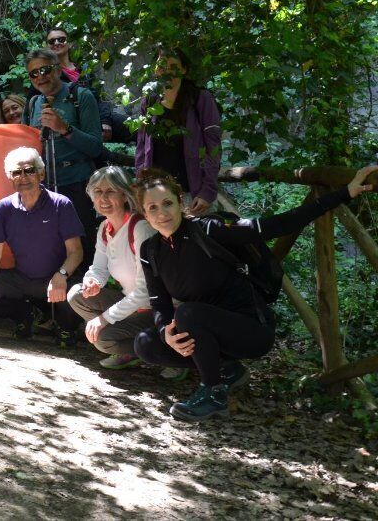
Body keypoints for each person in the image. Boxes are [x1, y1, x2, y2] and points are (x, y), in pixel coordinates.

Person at [132, 166, 376, 421]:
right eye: (152, 208)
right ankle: (227, 370)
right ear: (144, 214)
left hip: (251, 330)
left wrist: (344, 193)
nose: (162, 213)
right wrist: (165, 334)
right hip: (204, 330)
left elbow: (279, 224)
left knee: (189, 314)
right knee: (146, 344)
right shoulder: (151, 250)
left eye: (167, 203)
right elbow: (159, 302)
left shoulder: (208, 229)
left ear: (180, 202)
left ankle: (214, 394)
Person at [0, 147, 84, 343]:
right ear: (10, 177)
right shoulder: (4, 208)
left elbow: (76, 252)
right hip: (22, 279)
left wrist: (62, 275)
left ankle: (65, 327)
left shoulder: (61, 204)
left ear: (41, 173)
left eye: (29, 170)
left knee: (78, 293)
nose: (23, 177)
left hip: (57, 278)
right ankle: (26, 316)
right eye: (17, 172)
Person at [66, 166, 155, 368]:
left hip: (155, 309)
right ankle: (133, 347)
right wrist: (93, 281)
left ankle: (160, 350)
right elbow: (99, 267)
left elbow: (146, 292)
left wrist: (104, 319)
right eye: (98, 192)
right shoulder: (105, 228)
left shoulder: (140, 228)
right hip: (130, 303)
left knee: (102, 339)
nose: (103, 198)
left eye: (110, 191)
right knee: (77, 294)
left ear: (124, 195)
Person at [23, 48, 102, 273]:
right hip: (45, 187)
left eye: (45, 70)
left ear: (57, 69)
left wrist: (64, 129)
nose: (40, 77)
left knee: (82, 247)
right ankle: (52, 301)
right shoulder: (33, 103)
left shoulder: (80, 96)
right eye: (33, 73)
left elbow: (95, 147)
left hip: (77, 184)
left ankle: (84, 301)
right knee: (50, 247)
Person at [135, 46, 222, 216]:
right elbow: (141, 147)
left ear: (184, 69)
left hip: (193, 194)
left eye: (173, 65)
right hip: (157, 194)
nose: (166, 70)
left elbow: (214, 147)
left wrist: (207, 191)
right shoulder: (150, 101)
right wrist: (141, 184)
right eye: (161, 65)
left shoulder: (200, 99)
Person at [44, 26, 130, 143]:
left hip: (98, 117)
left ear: (69, 43)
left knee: (138, 129)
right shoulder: (48, 74)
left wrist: (105, 121)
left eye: (61, 39)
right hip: (74, 123)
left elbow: (99, 97)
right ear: (47, 46)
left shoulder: (84, 68)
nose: (57, 43)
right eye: (52, 41)